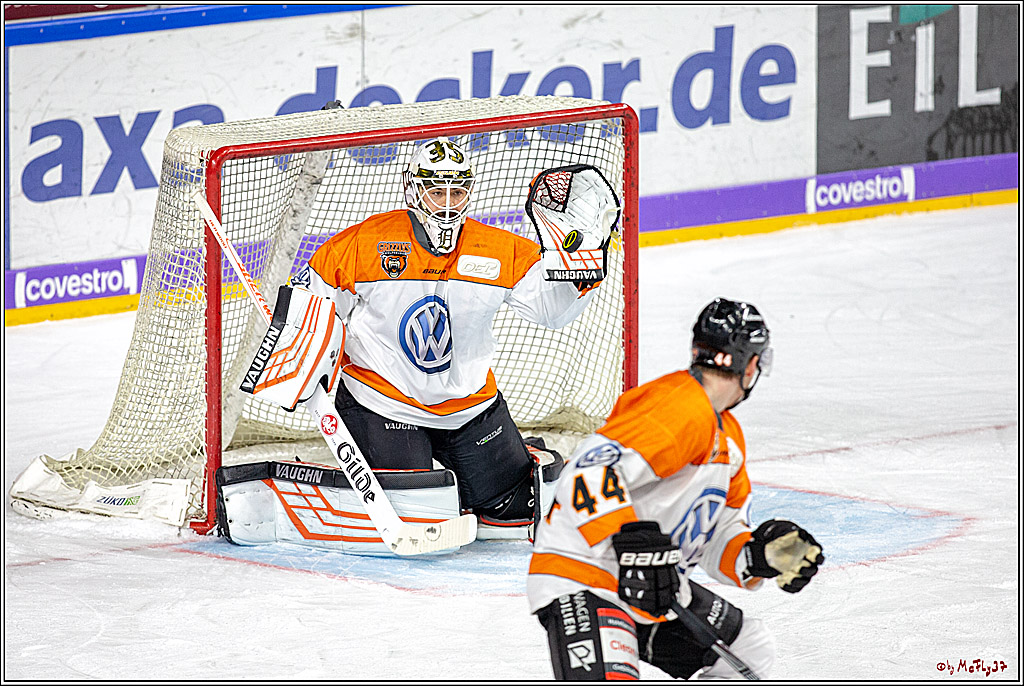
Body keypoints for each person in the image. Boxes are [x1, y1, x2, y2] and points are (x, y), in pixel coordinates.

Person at [286, 136, 610, 528]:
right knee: (422, 509)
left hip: (468, 405)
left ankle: (516, 456)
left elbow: (551, 312)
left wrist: (581, 268)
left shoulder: (498, 249)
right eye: (436, 191)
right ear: (413, 190)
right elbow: (310, 305)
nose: (447, 203)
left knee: (512, 506)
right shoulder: (362, 244)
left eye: (457, 191)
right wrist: (301, 367)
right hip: (384, 401)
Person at [526, 298, 825, 680]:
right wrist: (631, 541)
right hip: (586, 575)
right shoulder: (678, 405)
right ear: (750, 363)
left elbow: (715, 535)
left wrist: (756, 554)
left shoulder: (728, 436)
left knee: (747, 647)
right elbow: (588, 472)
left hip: (653, 586)